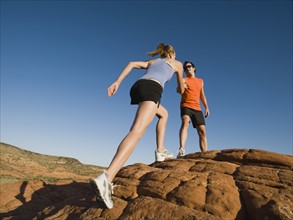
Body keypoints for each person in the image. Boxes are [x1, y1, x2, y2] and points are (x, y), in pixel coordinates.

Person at [90, 43, 185, 209]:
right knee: (137, 131)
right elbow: (181, 90)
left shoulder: (153, 62)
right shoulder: (177, 64)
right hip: (153, 88)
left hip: (139, 86)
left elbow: (132, 64)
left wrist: (117, 82)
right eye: (174, 55)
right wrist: (183, 85)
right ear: (171, 54)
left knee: (164, 114)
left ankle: (160, 151)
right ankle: (107, 177)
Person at [177, 61, 209, 158]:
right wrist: (182, 87)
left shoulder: (200, 81)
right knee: (185, 121)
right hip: (186, 105)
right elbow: (178, 90)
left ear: (194, 68)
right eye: (185, 68)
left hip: (197, 108)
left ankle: (205, 154)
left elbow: (202, 95)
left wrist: (206, 107)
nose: (187, 69)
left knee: (202, 131)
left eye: (189, 66)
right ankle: (182, 149)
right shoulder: (184, 79)